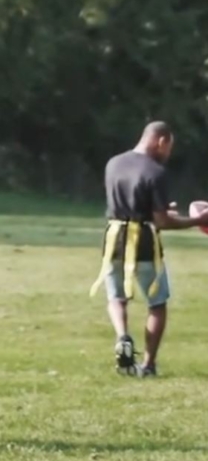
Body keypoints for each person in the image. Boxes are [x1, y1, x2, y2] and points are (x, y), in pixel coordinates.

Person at [88, 121, 208, 377]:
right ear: (160, 141)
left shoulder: (114, 163)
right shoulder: (156, 172)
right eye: (168, 148)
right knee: (157, 303)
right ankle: (149, 365)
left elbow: (135, 205)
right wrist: (198, 220)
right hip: (142, 241)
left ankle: (122, 337)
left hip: (113, 239)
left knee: (116, 297)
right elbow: (161, 221)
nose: (168, 154)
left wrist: (164, 213)